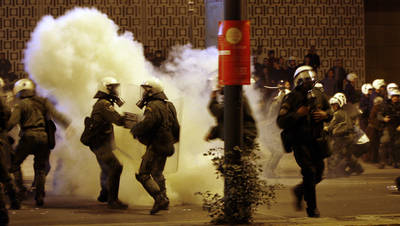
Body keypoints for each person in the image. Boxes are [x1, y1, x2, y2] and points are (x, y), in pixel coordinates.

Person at [277, 65, 333, 217]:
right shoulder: (291, 98)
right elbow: (280, 122)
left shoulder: (319, 95)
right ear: (299, 81)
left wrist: (324, 115)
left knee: (319, 174)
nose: (309, 82)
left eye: (311, 79)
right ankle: (312, 208)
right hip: (300, 142)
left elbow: (330, 112)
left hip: (317, 140)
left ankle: (299, 190)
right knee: (309, 173)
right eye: (305, 79)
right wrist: (297, 114)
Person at [6, 78, 71, 206]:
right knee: (40, 168)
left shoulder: (21, 104)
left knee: (14, 163)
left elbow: (12, 123)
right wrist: (67, 125)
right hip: (44, 137)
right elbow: (56, 115)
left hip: (29, 137)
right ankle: (39, 196)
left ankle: (20, 190)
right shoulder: (43, 101)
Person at [131, 79, 180, 215]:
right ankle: (165, 199)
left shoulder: (153, 106)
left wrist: (135, 129)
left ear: (153, 91)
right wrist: (171, 140)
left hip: (156, 145)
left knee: (143, 174)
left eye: (147, 89)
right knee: (157, 172)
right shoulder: (169, 105)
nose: (144, 92)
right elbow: (176, 127)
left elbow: (148, 123)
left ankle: (160, 199)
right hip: (166, 145)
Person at [87, 77, 128, 209]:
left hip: (99, 142)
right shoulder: (104, 104)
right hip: (100, 143)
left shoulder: (103, 102)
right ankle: (113, 200)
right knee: (116, 167)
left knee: (106, 168)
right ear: (107, 88)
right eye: (114, 87)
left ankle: (104, 194)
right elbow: (118, 120)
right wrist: (134, 119)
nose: (116, 90)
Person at [205, 84, 258, 150]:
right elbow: (226, 120)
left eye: (220, 85)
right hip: (243, 135)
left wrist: (213, 99)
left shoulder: (234, 97)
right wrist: (213, 132)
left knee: (239, 157)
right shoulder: (236, 96)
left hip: (243, 135)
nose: (218, 88)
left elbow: (220, 112)